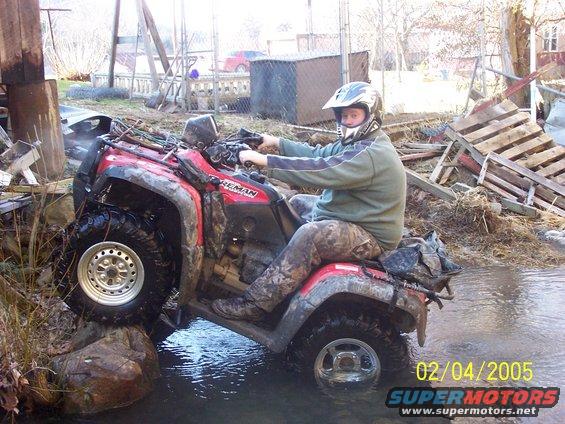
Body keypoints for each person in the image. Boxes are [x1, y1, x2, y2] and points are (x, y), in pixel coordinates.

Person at [211, 81, 406, 321]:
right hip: (355, 214)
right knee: (291, 201)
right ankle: (274, 264)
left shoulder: (371, 154)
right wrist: (277, 142)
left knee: (310, 235)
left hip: (371, 235)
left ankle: (256, 304)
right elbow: (318, 154)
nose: (346, 122)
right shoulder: (360, 143)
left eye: (353, 115)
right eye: (343, 116)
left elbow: (320, 169)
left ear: (371, 116)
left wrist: (264, 161)